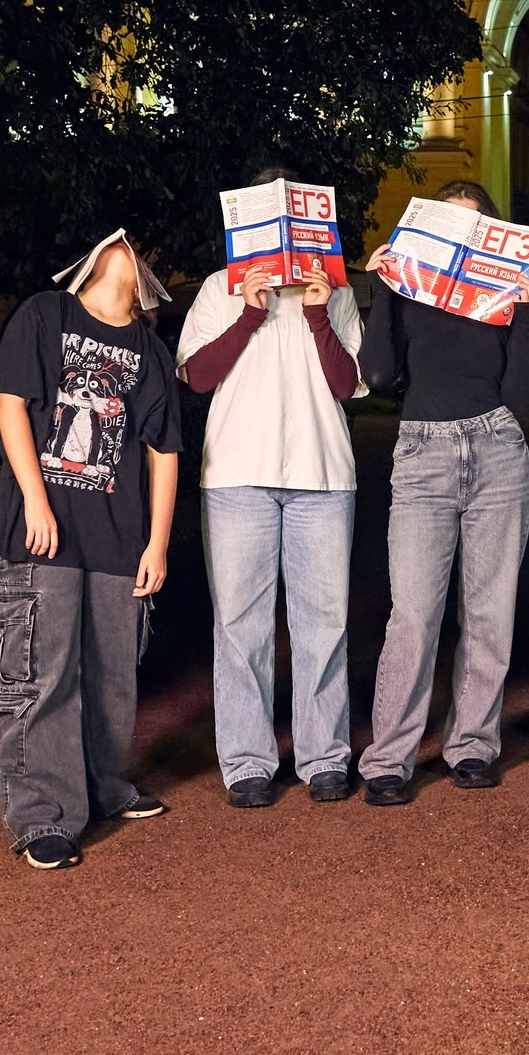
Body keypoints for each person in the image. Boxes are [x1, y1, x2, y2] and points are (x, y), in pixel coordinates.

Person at [0, 229, 182, 869]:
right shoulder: (47, 313)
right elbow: (10, 401)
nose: (128, 247)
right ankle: (40, 815)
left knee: (110, 674)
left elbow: (164, 450)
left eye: (139, 249)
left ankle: (101, 786)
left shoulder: (150, 350)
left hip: (117, 538)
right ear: (90, 259)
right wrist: (35, 498)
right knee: (43, 672)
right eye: (116, 240)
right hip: (44, 529)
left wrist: (156, 542)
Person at [176, 167, 368, 808]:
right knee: (240, 626)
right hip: (235, 473)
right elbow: (198, 377)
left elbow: (346, 385)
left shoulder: (333, 291)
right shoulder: (216, 288)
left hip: (323, 474)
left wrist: (317, 314)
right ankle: (248, 760)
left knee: (324, 622)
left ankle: (324, 756)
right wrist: (246, 314)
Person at [357, 180, 529, 805]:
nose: (459, 238)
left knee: (490, 612)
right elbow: (379, 373)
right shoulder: (408, 287)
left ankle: (473, 746)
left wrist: (523, 310)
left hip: (495, 445)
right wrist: (383, 287)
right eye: (448, 224)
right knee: (413, 613)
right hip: (422, 450)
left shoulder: (502, 295)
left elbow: (522, 394)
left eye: (473, 226)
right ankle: (389, 756)